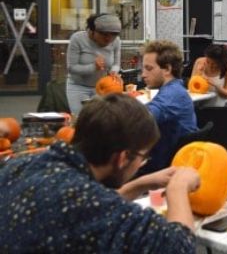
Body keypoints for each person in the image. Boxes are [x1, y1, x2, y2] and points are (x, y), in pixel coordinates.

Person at [0, 93, 200, 252]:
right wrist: (177, 189)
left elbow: (89, 204)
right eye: (142, 157)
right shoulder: (89, 204)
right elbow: (180, 246)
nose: (141, 164)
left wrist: (141, 184)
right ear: (122, 158)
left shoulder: (21, 164)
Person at [138, 40, 198, 176]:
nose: (143, 75)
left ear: (167, 69)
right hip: (171, 160)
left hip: (162, 167)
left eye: (149, 68)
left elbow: (145, 116)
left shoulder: (172, 94)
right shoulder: (176, 89)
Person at [66, 14, 123, 115]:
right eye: (104, 34)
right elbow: (71, 67)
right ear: (92, 31)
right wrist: (93, 67)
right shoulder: (78, 39)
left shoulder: (116, 41)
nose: (108, 39)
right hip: (78, 87)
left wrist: (113, 72)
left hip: (102, 89)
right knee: (81, 119)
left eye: (113, 35)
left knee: (101, 119)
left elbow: (116, 64)